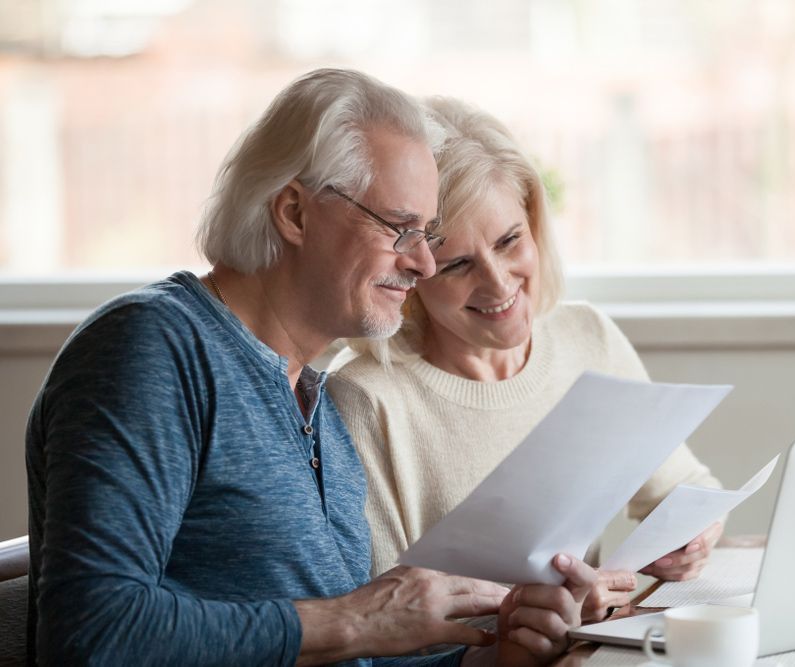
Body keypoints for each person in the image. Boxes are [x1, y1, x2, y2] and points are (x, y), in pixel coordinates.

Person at [25, 69, 595, 666]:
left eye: (426, 234)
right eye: (400, 228)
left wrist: (500, 652)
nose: (424, 264)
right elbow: (90, 633)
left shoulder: (317, 403)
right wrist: (357, 618)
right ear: (294, 212)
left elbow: (354, 651)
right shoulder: (152, 348)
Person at [327, 97, 725, 624]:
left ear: (534, 224)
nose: (497, 283)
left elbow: (685, 488)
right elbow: (379, 618)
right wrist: (528, 619)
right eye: (457, 265)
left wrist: (692, 535)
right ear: (413, 275)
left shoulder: (587, 338)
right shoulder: (365, 400)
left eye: (510, 240)